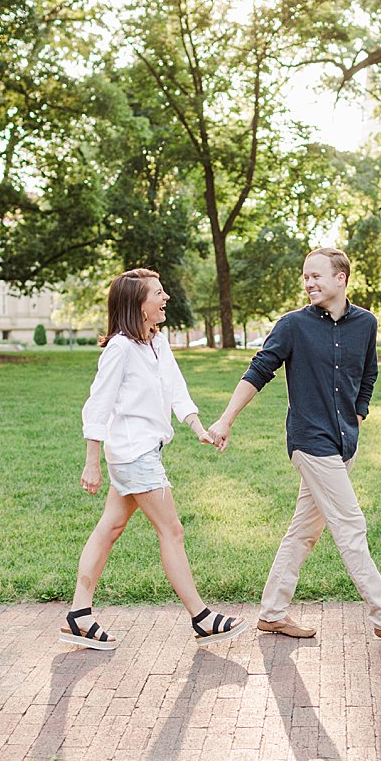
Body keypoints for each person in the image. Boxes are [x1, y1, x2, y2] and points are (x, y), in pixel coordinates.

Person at [208, 248, 381, 647]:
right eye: (306, 277)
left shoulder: (365, 323)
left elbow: (368, 375)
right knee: (351, 527)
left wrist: (358, 415)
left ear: (341, 278)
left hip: (344, 441)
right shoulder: (292, 326)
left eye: (316, 276)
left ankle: (273, 613)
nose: (309, 283)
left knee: (303, 533)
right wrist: (226, 419)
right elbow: (259, 370)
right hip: (310, 443)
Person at [60, 268, 247, 651]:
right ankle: (202, 618)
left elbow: (176, 390)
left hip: (143, 451)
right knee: (172, 530)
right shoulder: (120, 349)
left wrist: (198, 428)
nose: (165, 299)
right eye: (158, 294)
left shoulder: (156, 343)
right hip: (133, 454)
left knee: (109, 529)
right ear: (137, 304)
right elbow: (98, 405)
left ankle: (79, 615)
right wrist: (91, 461)